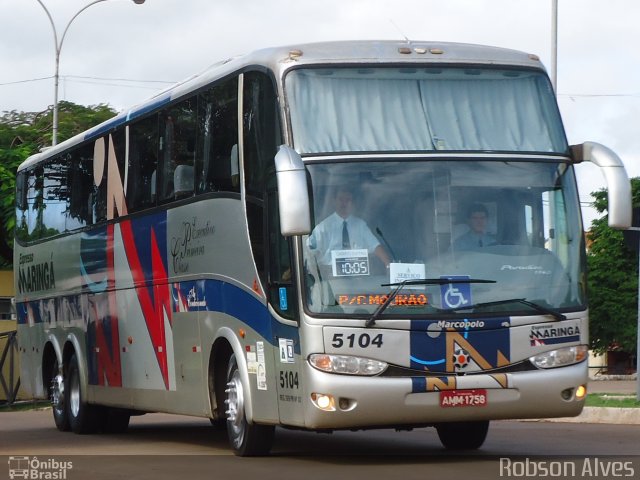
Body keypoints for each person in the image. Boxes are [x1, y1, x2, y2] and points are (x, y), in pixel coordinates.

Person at [307, 186, 390, 269]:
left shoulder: (360, 225)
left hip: (358, 276)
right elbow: (309, 251)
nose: (344, 203)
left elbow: (375, 246)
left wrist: (388, 265)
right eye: (341, 199)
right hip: (331, 277)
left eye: (348, 200)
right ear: (334, 201)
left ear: (352, 203)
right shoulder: (323, 227)